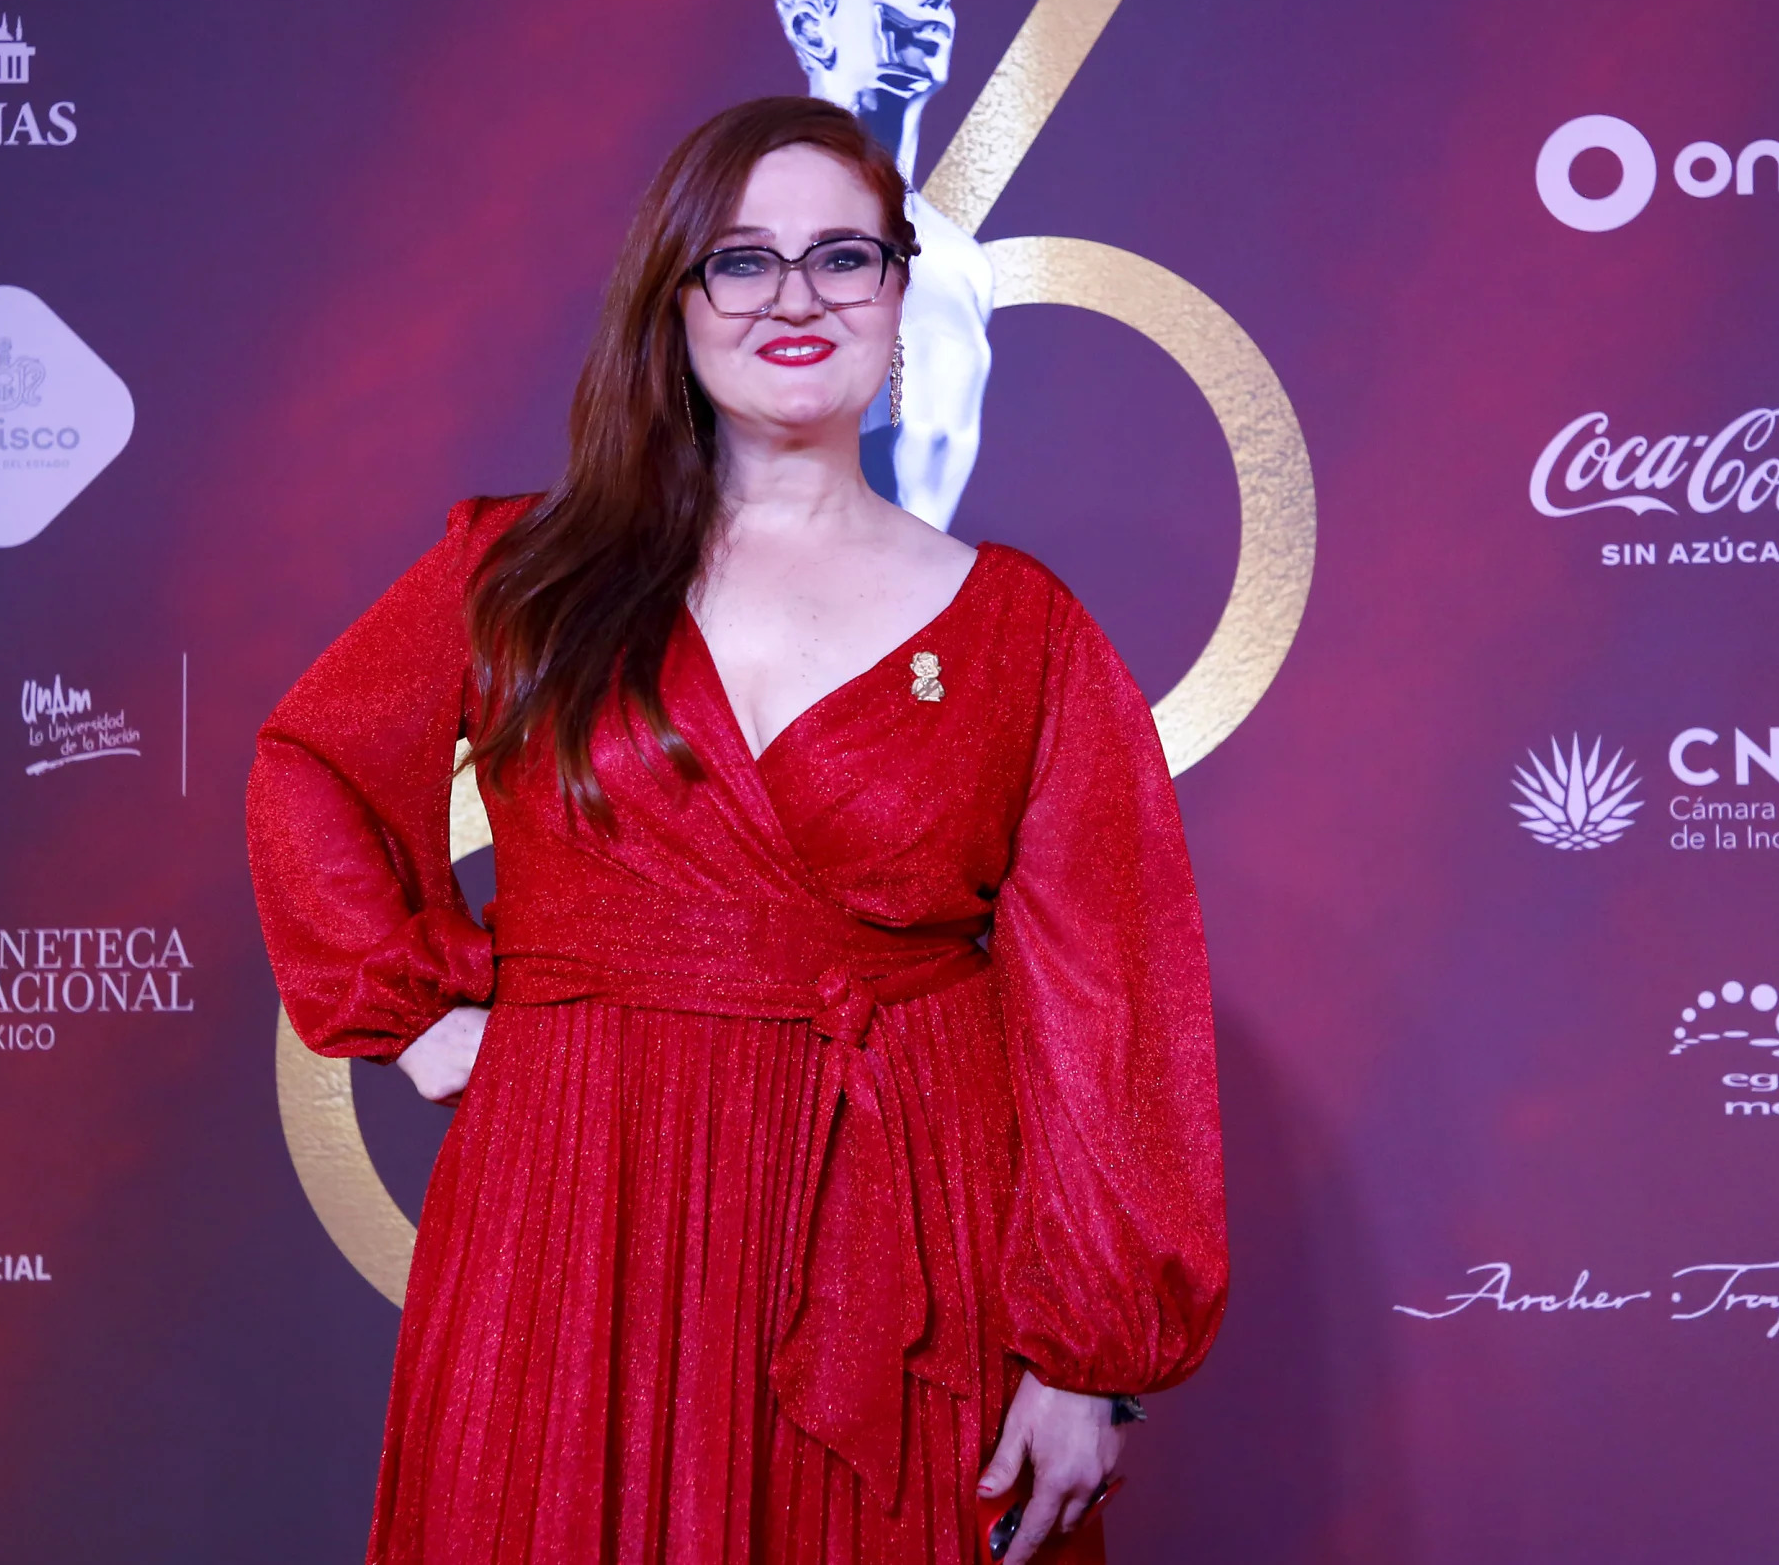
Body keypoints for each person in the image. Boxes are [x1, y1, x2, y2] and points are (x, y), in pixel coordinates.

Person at [249, 97, 1226, 1564]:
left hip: (903, 1238)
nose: (795, 298)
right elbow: (310, 764)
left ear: (902, 292)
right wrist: (406, 1014)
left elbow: (1113, 1001)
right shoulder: (520, 573)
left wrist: (1091, 1361)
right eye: (742, 260)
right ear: (674, 297)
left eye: (844, 256)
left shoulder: (1025, 632)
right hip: (579, 1206)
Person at [776, 0, 996, 534]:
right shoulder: (755, 236)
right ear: (813, 27)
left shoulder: (961, 262)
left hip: (932, 602)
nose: (930, 3)